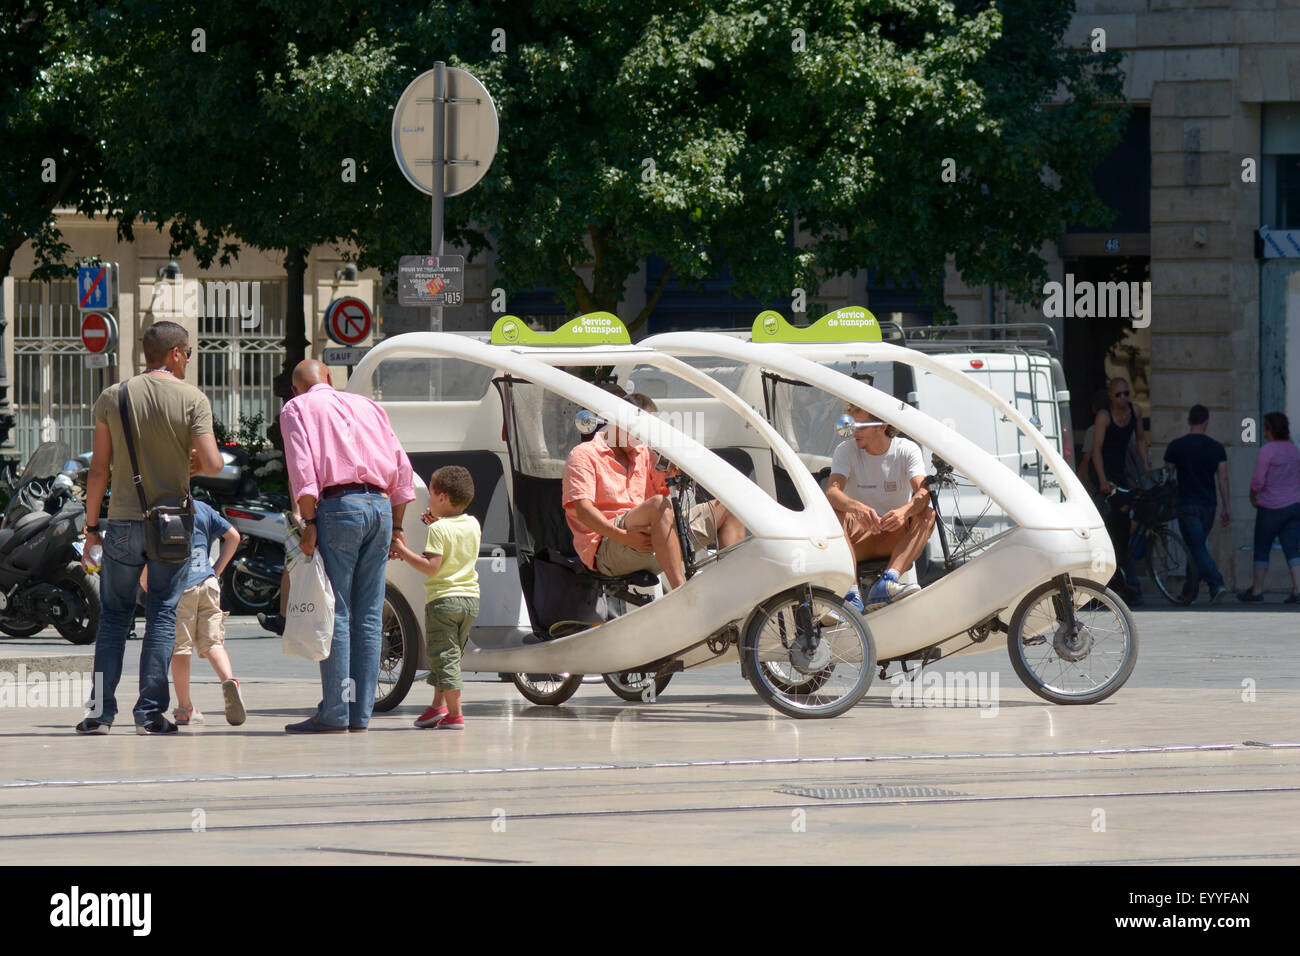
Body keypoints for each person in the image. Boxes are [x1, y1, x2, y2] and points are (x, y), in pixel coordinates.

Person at [77, 320, 224, 735]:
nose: (189, 360)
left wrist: (92, 529)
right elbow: (213, 463)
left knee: (113, 619)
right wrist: (191, 464)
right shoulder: (192, 398)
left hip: (123, 522)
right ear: (176, 353)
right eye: (189, 353)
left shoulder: (114, 396)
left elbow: (99, 469)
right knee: (161, 614)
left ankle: (100, 714)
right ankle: (149, 716)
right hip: (172, 525)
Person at [279, 359, 415, 733]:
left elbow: (303, 472)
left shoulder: (297, 408)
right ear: (331, 378)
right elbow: (402, 470)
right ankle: (360, 713)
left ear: (296, 389)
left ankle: (336, 711)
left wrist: (308, 522)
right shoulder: (369, 406)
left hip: (339, 508)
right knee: (369, 614)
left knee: (335, 610)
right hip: (382, 508)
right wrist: (398, 526)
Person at [562, 389, 745, 590]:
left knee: (731, 506)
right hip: (609, 545)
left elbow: (663, 492)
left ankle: (731, 589)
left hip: (653, 535)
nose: (641, 438)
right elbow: (583, 512)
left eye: (645, 432)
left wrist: (674, 472)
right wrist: (623, 536)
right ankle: (682, 592)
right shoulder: (584, 455)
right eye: (637, 431)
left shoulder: (642, 453)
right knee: (657, 505)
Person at [390, 466, 481, 730]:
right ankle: (436, 707)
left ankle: (455, 714)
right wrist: (435, 521)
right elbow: (456, 541)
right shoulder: (473, 524)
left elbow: (431, 567)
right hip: (470, 599)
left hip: (444, 601)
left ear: (442, 497)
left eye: (430, 494)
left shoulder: (437, 531)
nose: (428, 500)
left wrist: (403, 551)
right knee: (450, 655)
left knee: (444, 656)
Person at [145, 499, 247, 724]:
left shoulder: (157, 511)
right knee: (213, 642)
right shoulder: (202, 508)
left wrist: (149, 588)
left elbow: (147, 556)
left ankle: (184, 708)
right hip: (208, 582)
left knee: (181, 648)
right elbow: (234, 537)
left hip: (180, 586)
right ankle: (229, 681)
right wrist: (216, 570)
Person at [825, 403, 934, 612]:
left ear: (882, 425)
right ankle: (851, 593)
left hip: (893, 535)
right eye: (851, 425)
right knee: (833, 509)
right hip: (859, 538)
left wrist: (904, 512)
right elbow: (832, 491)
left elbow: (923, 492)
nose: (854, 432)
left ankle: (888, 580)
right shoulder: (846, 449)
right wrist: (857, 508)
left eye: (861, 426)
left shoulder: (906, 449)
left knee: (927, 513)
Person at [1162, 404, 1230, 604]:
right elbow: (1223, 479)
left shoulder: (1176, 446)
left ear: (1188, 421)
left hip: (1187, 503)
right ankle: (1188, 593)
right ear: (1207, 421)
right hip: (1209, 505)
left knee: (1196, 548)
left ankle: (1216, 583)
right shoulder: (1217, 448)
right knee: (1196, 547)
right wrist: (1227, 507)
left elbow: (1167, 475)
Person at [1092, 377, 1150, 604]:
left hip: (1124, 472)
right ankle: (1114, 582)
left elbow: (1141, 439)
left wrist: (1146, 466)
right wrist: (1102, 480)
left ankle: (1126, 581)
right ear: (1111, 396)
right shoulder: (1104, 417)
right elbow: (1096, 450)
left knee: (1125, 528)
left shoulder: (1134, 411)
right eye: (1119, 394)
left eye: (1127, 393)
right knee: (1112, 529)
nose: (1124, 398)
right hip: (1107, 473)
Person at [1239, 412, 1300, 603]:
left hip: (1270, 507)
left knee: (1262, 547)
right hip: (1293, 506)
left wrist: (1252, 496)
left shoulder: (1267, 451)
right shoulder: (1294, 450)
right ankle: (1298, 589)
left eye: (1265, 427)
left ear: (1269, 429)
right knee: (1292, 548)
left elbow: (1258, 480)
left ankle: (1257, 590)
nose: (1264, 432)